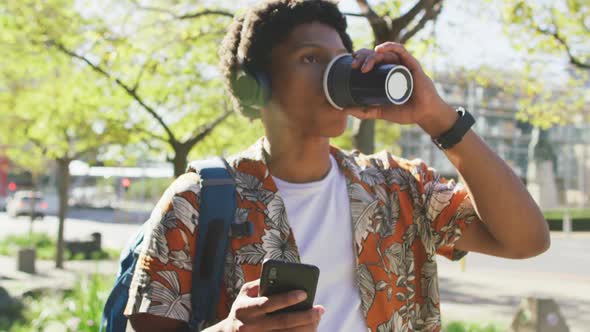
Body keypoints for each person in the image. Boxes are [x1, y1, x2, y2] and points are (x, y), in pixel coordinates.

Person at [124, 0, 551, 331]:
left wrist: (437, 116)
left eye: (340, 57)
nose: (335, 71)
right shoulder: (196, 202)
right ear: (256, 87)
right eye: (311, 58)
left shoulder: (398, 186)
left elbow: (526, 240)